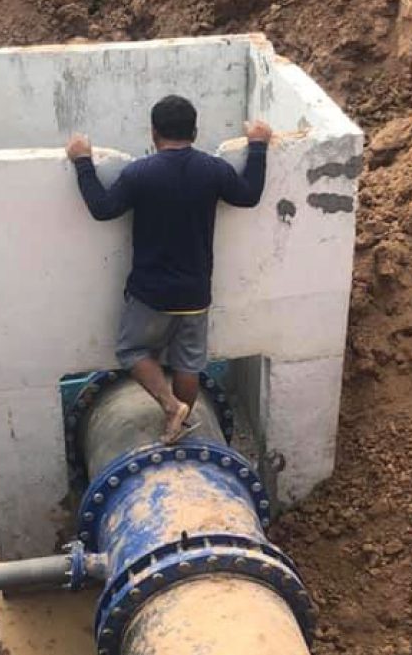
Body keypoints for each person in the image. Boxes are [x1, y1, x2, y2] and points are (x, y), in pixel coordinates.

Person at [67, 94, 272, 442]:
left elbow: (102, 208)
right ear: (194, 130)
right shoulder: (213, 169)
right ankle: (182, 424)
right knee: (188, 365)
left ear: (153, 133)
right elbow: (248, 195)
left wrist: (82, 161)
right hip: (196, 293)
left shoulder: (140, 173)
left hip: (151, 293)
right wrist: (258, 146)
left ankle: (169, 405)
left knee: (131, 350)